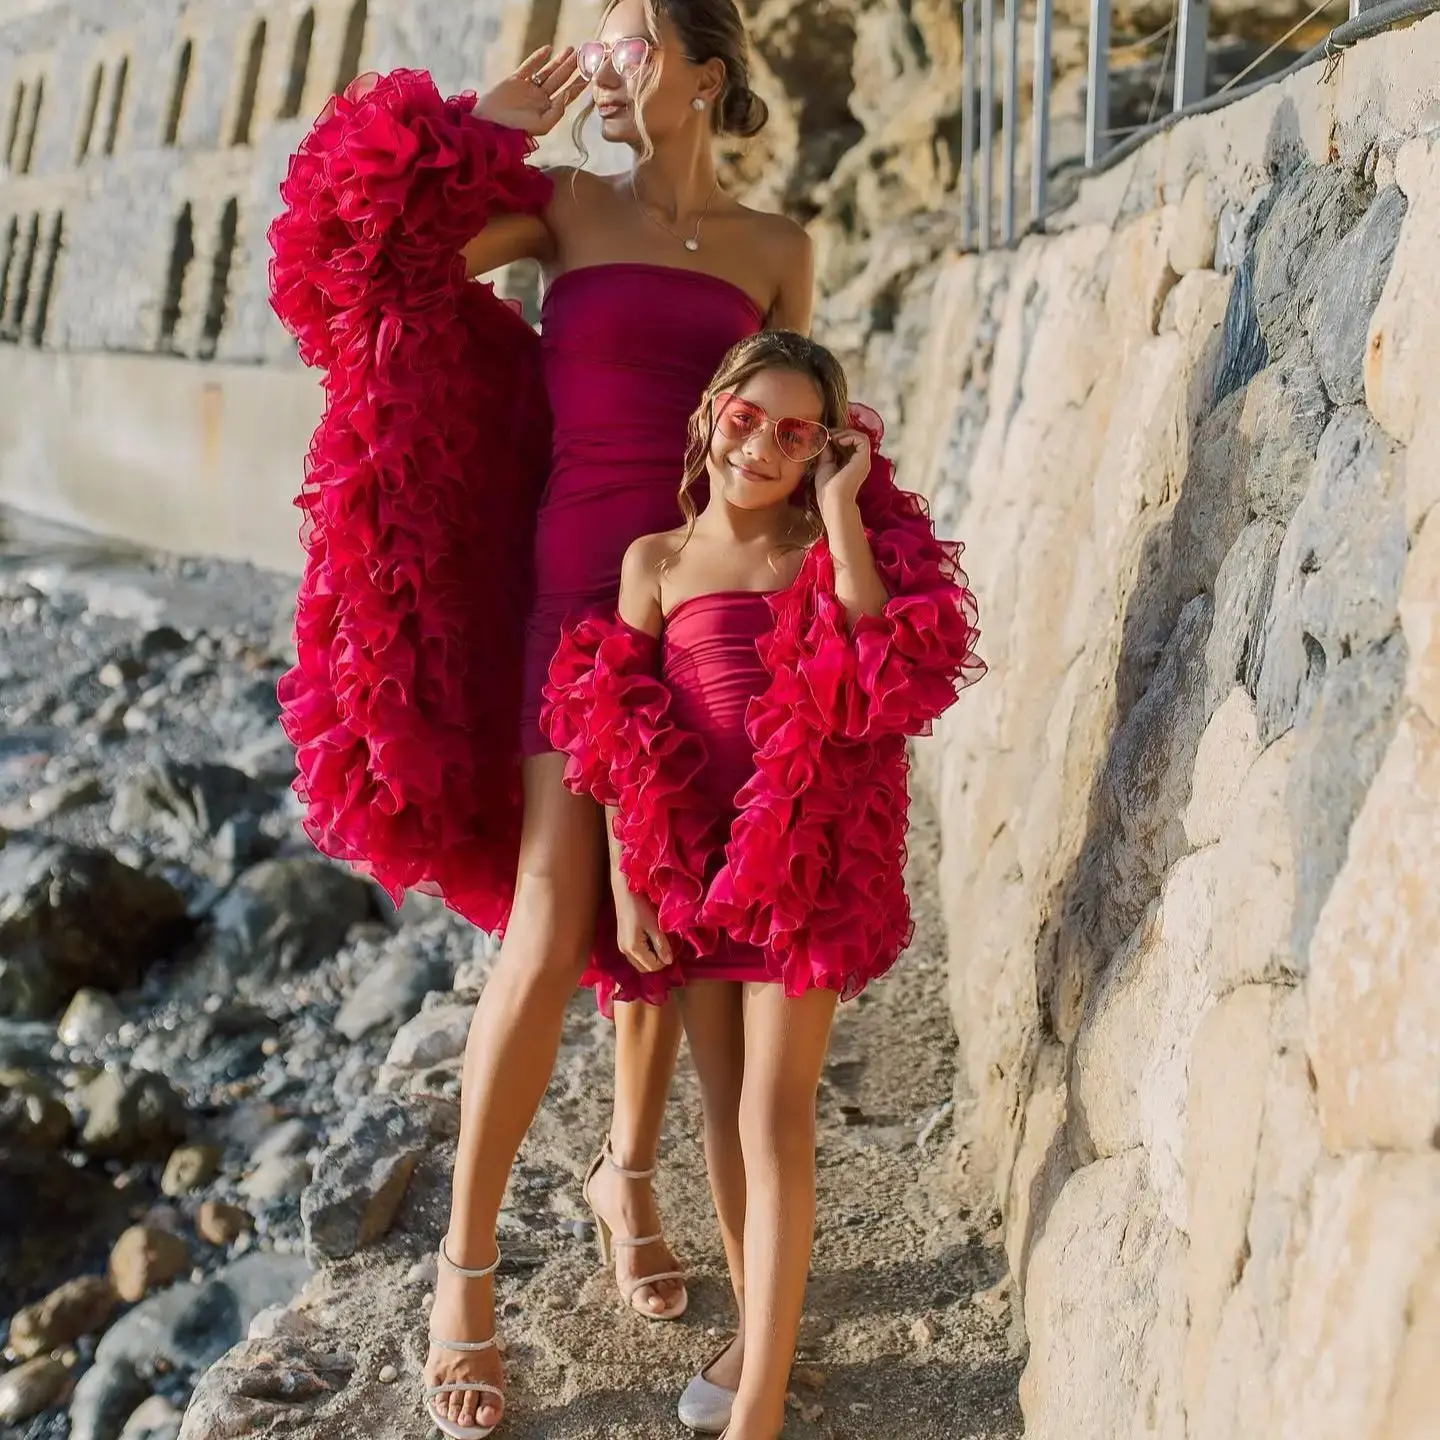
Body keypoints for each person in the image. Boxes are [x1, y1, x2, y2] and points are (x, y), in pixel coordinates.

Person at [266, 2, 812, 1436]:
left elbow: (790, 432)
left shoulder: (775, 250)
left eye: (636, 42)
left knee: (683, 923)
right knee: (557, 913)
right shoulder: (561, 207)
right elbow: (361, 269)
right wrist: (481, 125)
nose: (610, 66)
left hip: (707, 614)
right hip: (574, 593)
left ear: (706, 74)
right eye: (599, 44)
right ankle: (465, 1275)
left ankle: (638, 1191)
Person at [542, 331, 986, 1439]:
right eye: (749, 419)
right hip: (696, 874)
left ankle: (764, 1404)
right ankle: (756, 1330)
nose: (763, 447)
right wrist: (628, 883)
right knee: (720, 1122)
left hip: (810, 864)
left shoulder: (824, 546)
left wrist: (839, 508)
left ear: (823, 448)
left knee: (771, 1114)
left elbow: (888, 659)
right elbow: (610, 735)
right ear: (711, 412)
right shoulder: (654, 561)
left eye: (797, 435)